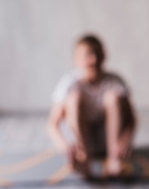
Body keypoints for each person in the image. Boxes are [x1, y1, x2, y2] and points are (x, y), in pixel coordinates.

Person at [47, 34, 136, 177]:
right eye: (87, 55)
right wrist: (64, 147)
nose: (93, 59)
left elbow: (132, 120)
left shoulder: (115, 81)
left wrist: (124, 141)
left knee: (113, 97)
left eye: (97, 53)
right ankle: (83, 159)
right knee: (74, 98)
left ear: (104, 56)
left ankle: (114, 159)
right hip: (80, 143)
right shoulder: (69, 84)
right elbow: (52, 125)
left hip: (106, 142)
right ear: (76, 60)